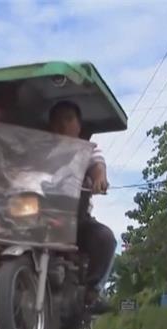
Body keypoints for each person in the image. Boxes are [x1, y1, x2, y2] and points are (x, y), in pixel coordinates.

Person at [47, 100, 116, 313]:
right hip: (40, 218)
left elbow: (97, 165)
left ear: (78, 125)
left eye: (68, 119)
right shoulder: (41, 151)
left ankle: (92, 291)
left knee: (106, 239)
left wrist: (99, 179)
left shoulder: (87, 150)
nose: (62, 124)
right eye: (57, 120)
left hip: (76, 220)